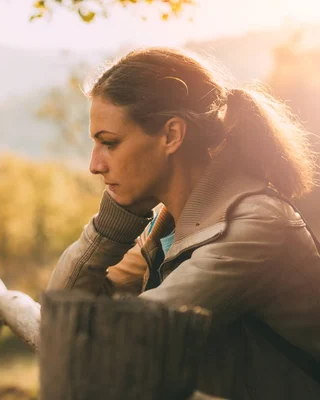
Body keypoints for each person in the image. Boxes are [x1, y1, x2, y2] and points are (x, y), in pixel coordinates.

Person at [46, 47, 320, 399]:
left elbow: (131, 337)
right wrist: (109, 229)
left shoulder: (257, 227)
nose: (95, 165)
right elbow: (63, 313)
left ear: (172, 135)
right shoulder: (165, 225)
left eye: (109, 143)